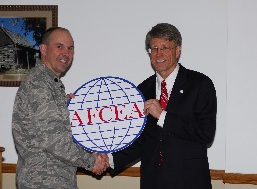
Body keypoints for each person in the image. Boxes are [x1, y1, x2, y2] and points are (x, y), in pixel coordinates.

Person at [110, 23, 217, 189]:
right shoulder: (142, 90)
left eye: (165, 47)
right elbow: (140, 140)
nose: (159, 54)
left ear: (177, 51)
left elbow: (205, 133)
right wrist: (108, 159)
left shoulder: (200, 84)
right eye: (154, 48)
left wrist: (162, 116)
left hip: (190, 182)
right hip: (153, 181)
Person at [12, 27, 109, 189]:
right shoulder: (40, 85)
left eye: (70, 48)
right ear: (43, 49)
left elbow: (56, 129)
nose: (66, 53)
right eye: (59, 46)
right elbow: (54, 139)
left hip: (54, 180)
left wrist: (65, 105)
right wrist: (91, 162)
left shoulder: (51, 84)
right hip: (43, 181)